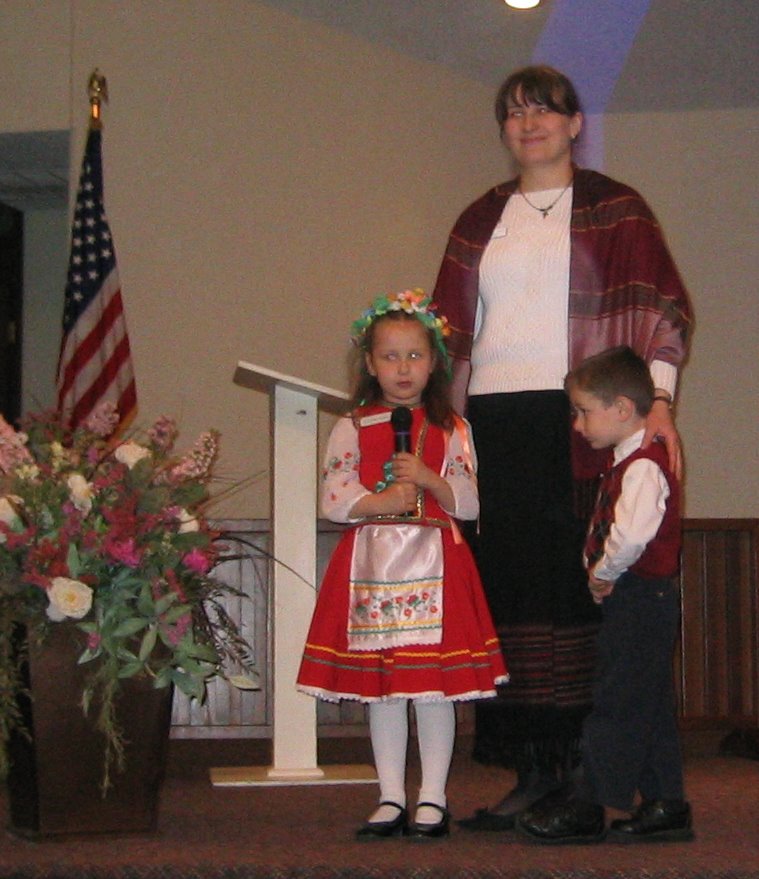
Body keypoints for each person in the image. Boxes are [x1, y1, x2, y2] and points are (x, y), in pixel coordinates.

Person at [431, 64, 692, 829]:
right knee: (510, 589)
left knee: (578, 589)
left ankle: (586, 770)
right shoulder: (479, 219)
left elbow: (662, 310)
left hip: (582, 420)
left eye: (543, 110)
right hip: (495, 422)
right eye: (513, 113)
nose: (528, 123)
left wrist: (659, 401)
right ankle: (530, 768)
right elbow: (444, 329)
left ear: (574, 123)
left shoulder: (618, 209)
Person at [296, 288, 508, 841]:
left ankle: (433, 796)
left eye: (414, 355)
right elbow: (334, 496)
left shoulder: (453, 427)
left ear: (434, 361)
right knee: (384, 688)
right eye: (390, 356)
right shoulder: (352, 425)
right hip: (373, 565)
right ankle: (390, 795)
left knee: (432, 687)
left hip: (437, 561)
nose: (403, 368)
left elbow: (471, 501)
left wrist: (430, 480)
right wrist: (379, 501)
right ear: (370, 363)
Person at [516, 346, 693, 844]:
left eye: (583, 411)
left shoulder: (643, 466)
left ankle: (589, 802)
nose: (577, 425)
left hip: (639, 596)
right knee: (647, 702)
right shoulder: (624, 461)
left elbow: (631, 535)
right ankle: (666, 802)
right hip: (638, 598)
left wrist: (603, 573)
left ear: (620, 408)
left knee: (616, 703)